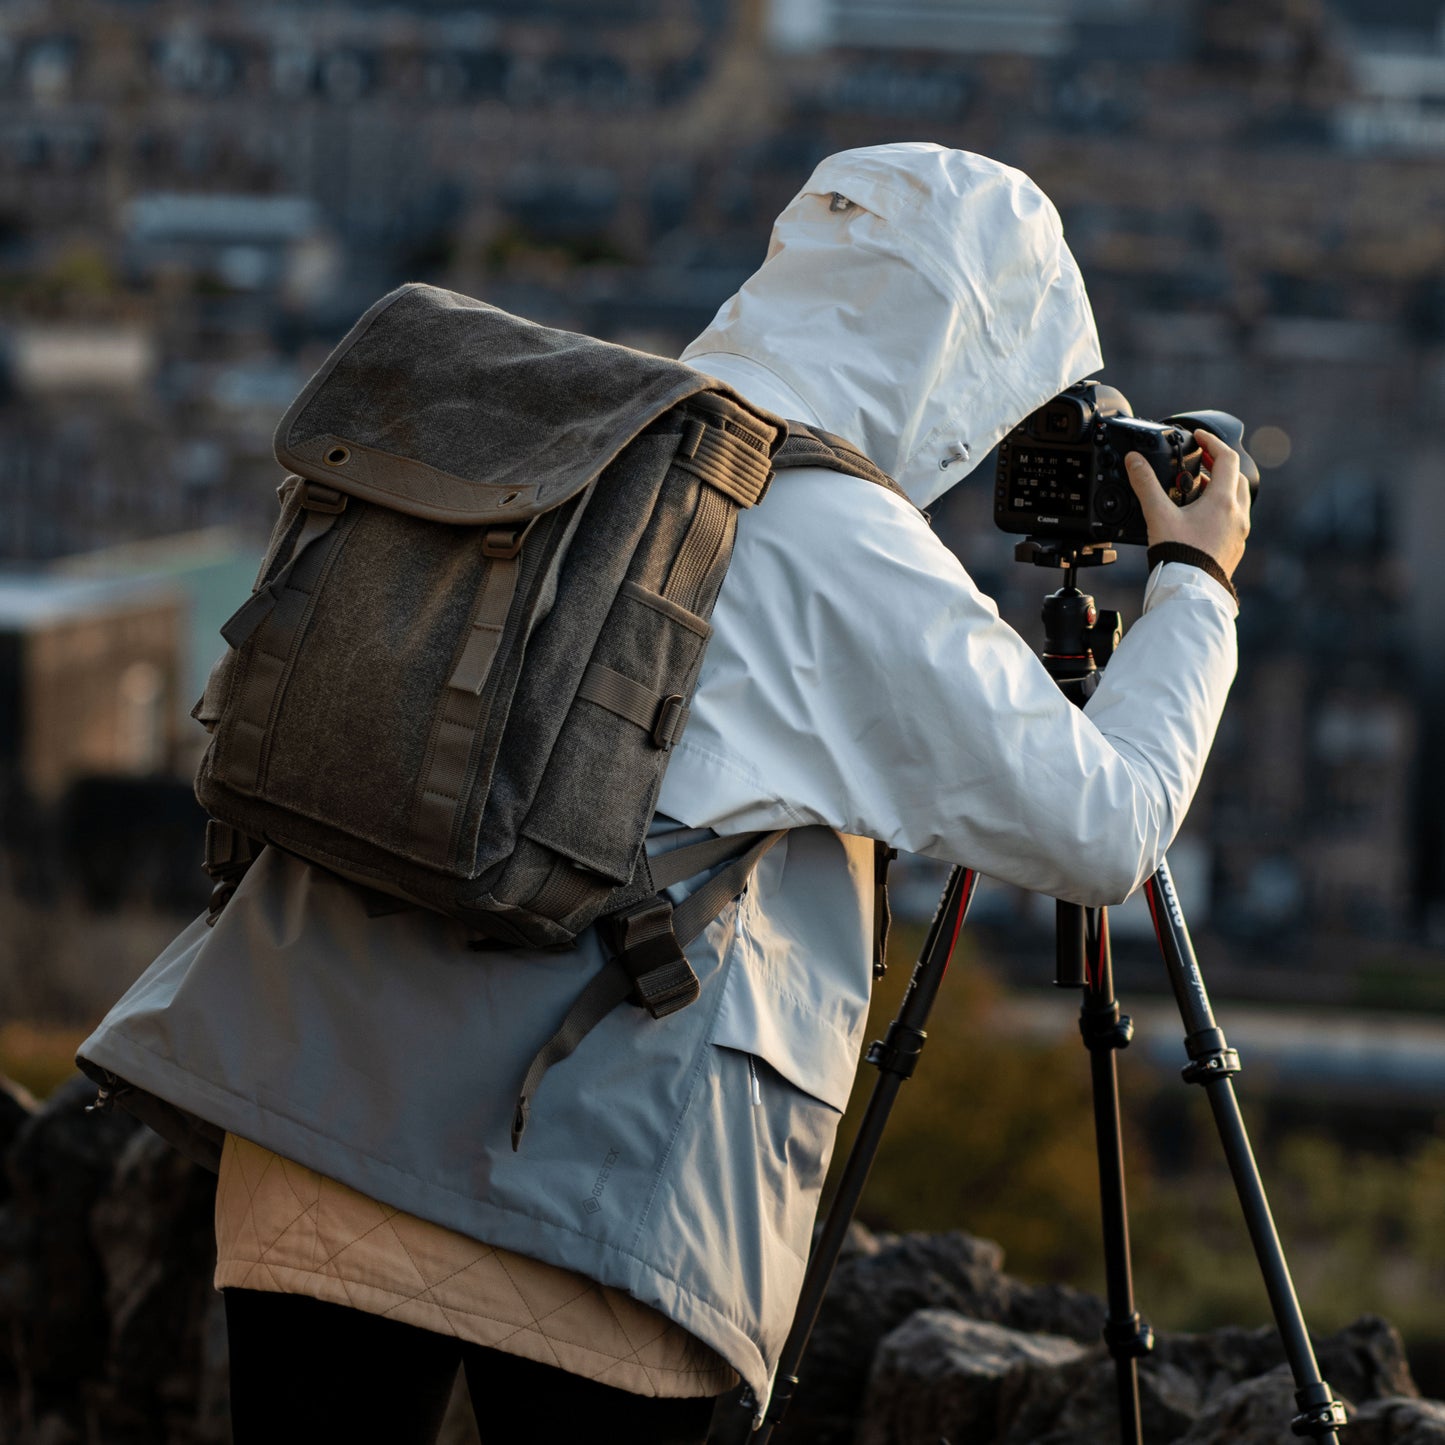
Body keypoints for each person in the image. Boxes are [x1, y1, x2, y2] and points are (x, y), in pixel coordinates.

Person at [78, 143, 1249, 1445]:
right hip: (577, 1191)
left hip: (305, 1107)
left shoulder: (574, 428)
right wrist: (1195, 586)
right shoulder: (841, 544)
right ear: (963, 359)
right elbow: (1107, 827)